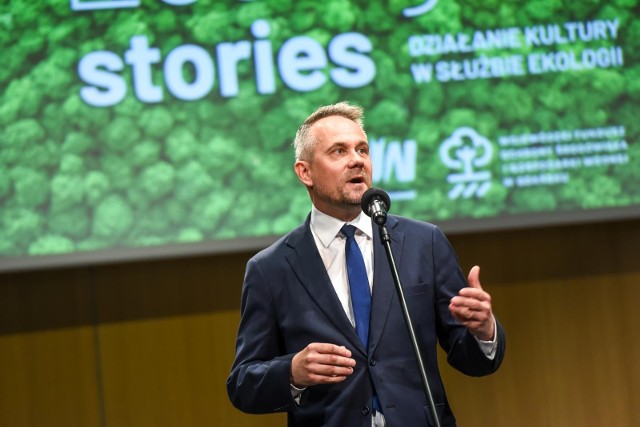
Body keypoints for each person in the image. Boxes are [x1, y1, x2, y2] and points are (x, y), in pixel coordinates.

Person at [227, 101, 506, 427]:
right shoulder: (271, 268)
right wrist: (293, 372)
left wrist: (483, 331)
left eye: (362, 149)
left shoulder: (422, 243)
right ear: (305, 172)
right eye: (339, 151)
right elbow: (243, 384)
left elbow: (473, 360)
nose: (357, 160)